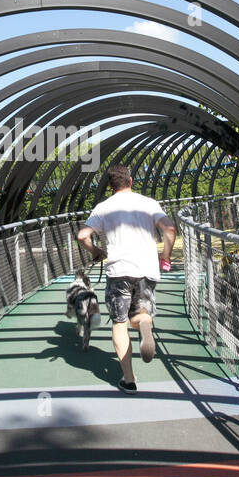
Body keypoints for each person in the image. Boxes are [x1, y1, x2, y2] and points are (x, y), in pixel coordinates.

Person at [76, 164, 176, 394]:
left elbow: (82, 235)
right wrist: (165, 256)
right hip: (146, 269)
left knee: (120, 323)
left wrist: (95, 251)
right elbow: (169, 229)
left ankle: (129, 379)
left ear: (111, 186)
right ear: (131, 181)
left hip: (118, 271)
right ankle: (143, 323)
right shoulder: (148, 203)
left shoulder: (103, 207)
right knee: (141, 312)